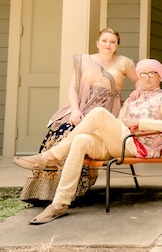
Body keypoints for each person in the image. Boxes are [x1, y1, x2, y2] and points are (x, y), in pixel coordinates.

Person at [13, 59, 162, 224]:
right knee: (80, 140)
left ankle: (51, 156)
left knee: (98, 112)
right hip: (120, 142)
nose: (147, 77)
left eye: (152, 73)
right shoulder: (132, 99)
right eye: (143, 74)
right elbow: (120, 122)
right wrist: (120, 126)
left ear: (160, 77)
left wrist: (139, 123)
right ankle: (60, 203)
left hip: (138, 145)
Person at [20, 27, 138, 204]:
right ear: (98, 43)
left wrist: (135, 96)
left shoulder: (125, 62)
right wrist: (75, 110)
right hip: (83, 107)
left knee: (83, 138)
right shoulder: (84, 60)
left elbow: (139, 81)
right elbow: (73, 88)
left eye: (112, 42)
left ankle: (76, 191)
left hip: (109, 111)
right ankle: (45, 191)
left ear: (117, 45)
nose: (108, 44)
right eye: (104, 41)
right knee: (61, 131)